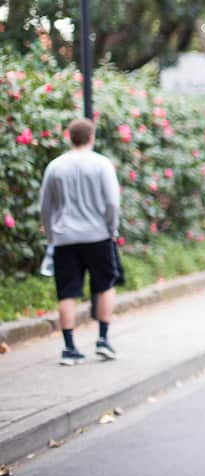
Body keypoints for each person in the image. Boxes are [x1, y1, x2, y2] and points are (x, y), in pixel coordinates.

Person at [38, 117, 123, 366]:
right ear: (91, 137)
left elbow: (46, 205)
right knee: (105, 285)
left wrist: (52, 234)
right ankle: (103, 340)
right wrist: (111, 228)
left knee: (67, 290)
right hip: (98, 235)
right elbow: (112, 203)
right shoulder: (101, 164)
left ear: (69, 137)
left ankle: (69, 347)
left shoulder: (55, 166)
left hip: (64, 237)